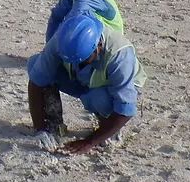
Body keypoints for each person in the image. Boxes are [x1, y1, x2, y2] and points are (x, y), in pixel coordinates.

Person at [26, 14, 147, 155]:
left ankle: (108, 128)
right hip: (80, 80)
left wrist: (88, 142)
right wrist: (40, 129)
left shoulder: (119, 55)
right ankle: (53, 126)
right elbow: (36, 81)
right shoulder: (62, 40)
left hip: (111, 89)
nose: (75, 64)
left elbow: (125, 109)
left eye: (82, 60)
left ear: (98, 48)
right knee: (35, 64)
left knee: (97, 98)